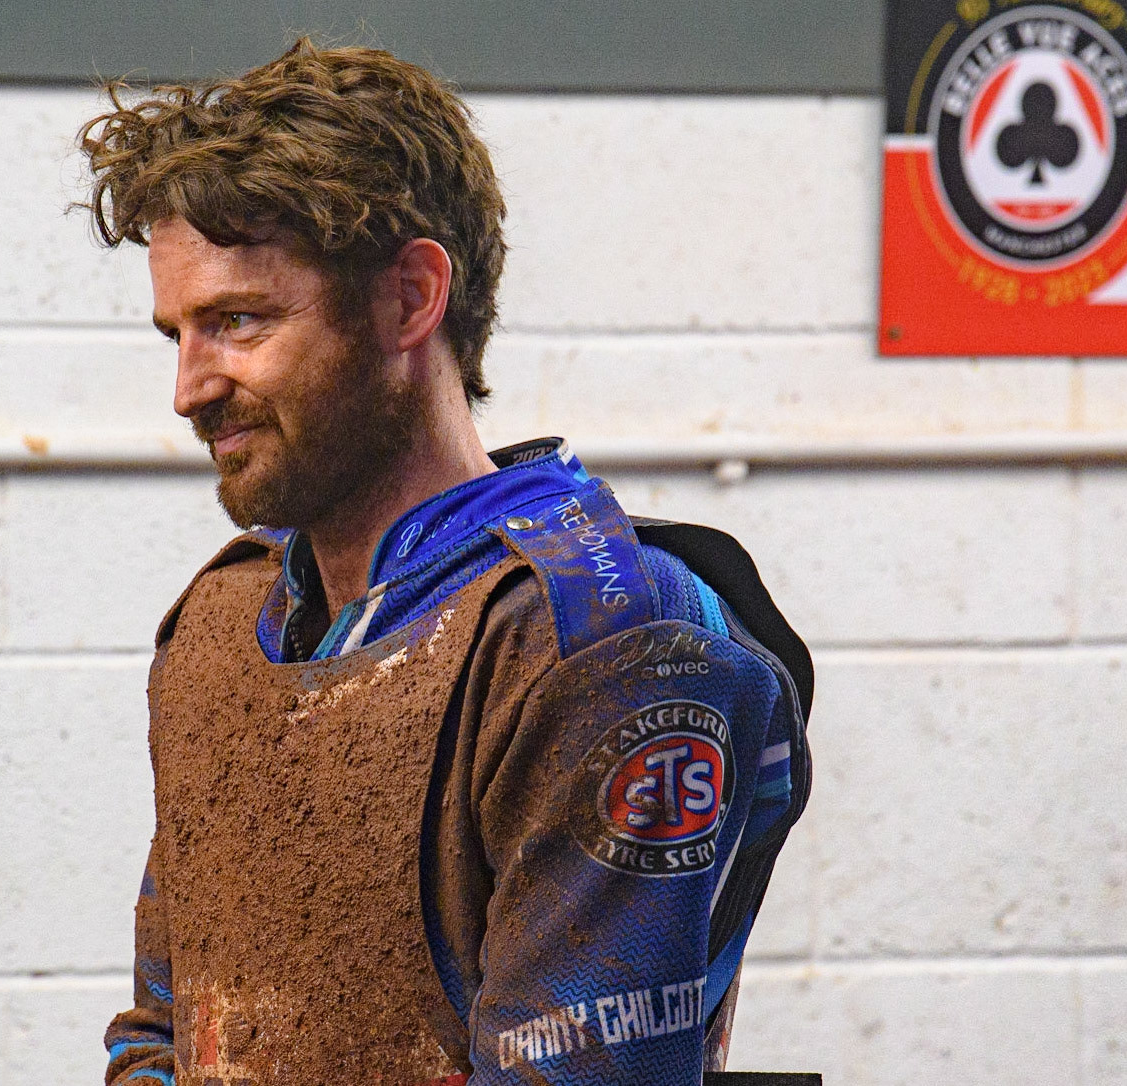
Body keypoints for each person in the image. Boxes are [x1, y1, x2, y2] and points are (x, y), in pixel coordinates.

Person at [79, 39, 812, 1086]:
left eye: (238, 322)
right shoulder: (220, 623)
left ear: (410, 299)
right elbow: (164, 1036)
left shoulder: (605, 640)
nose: (191, 388)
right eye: (178, 335)